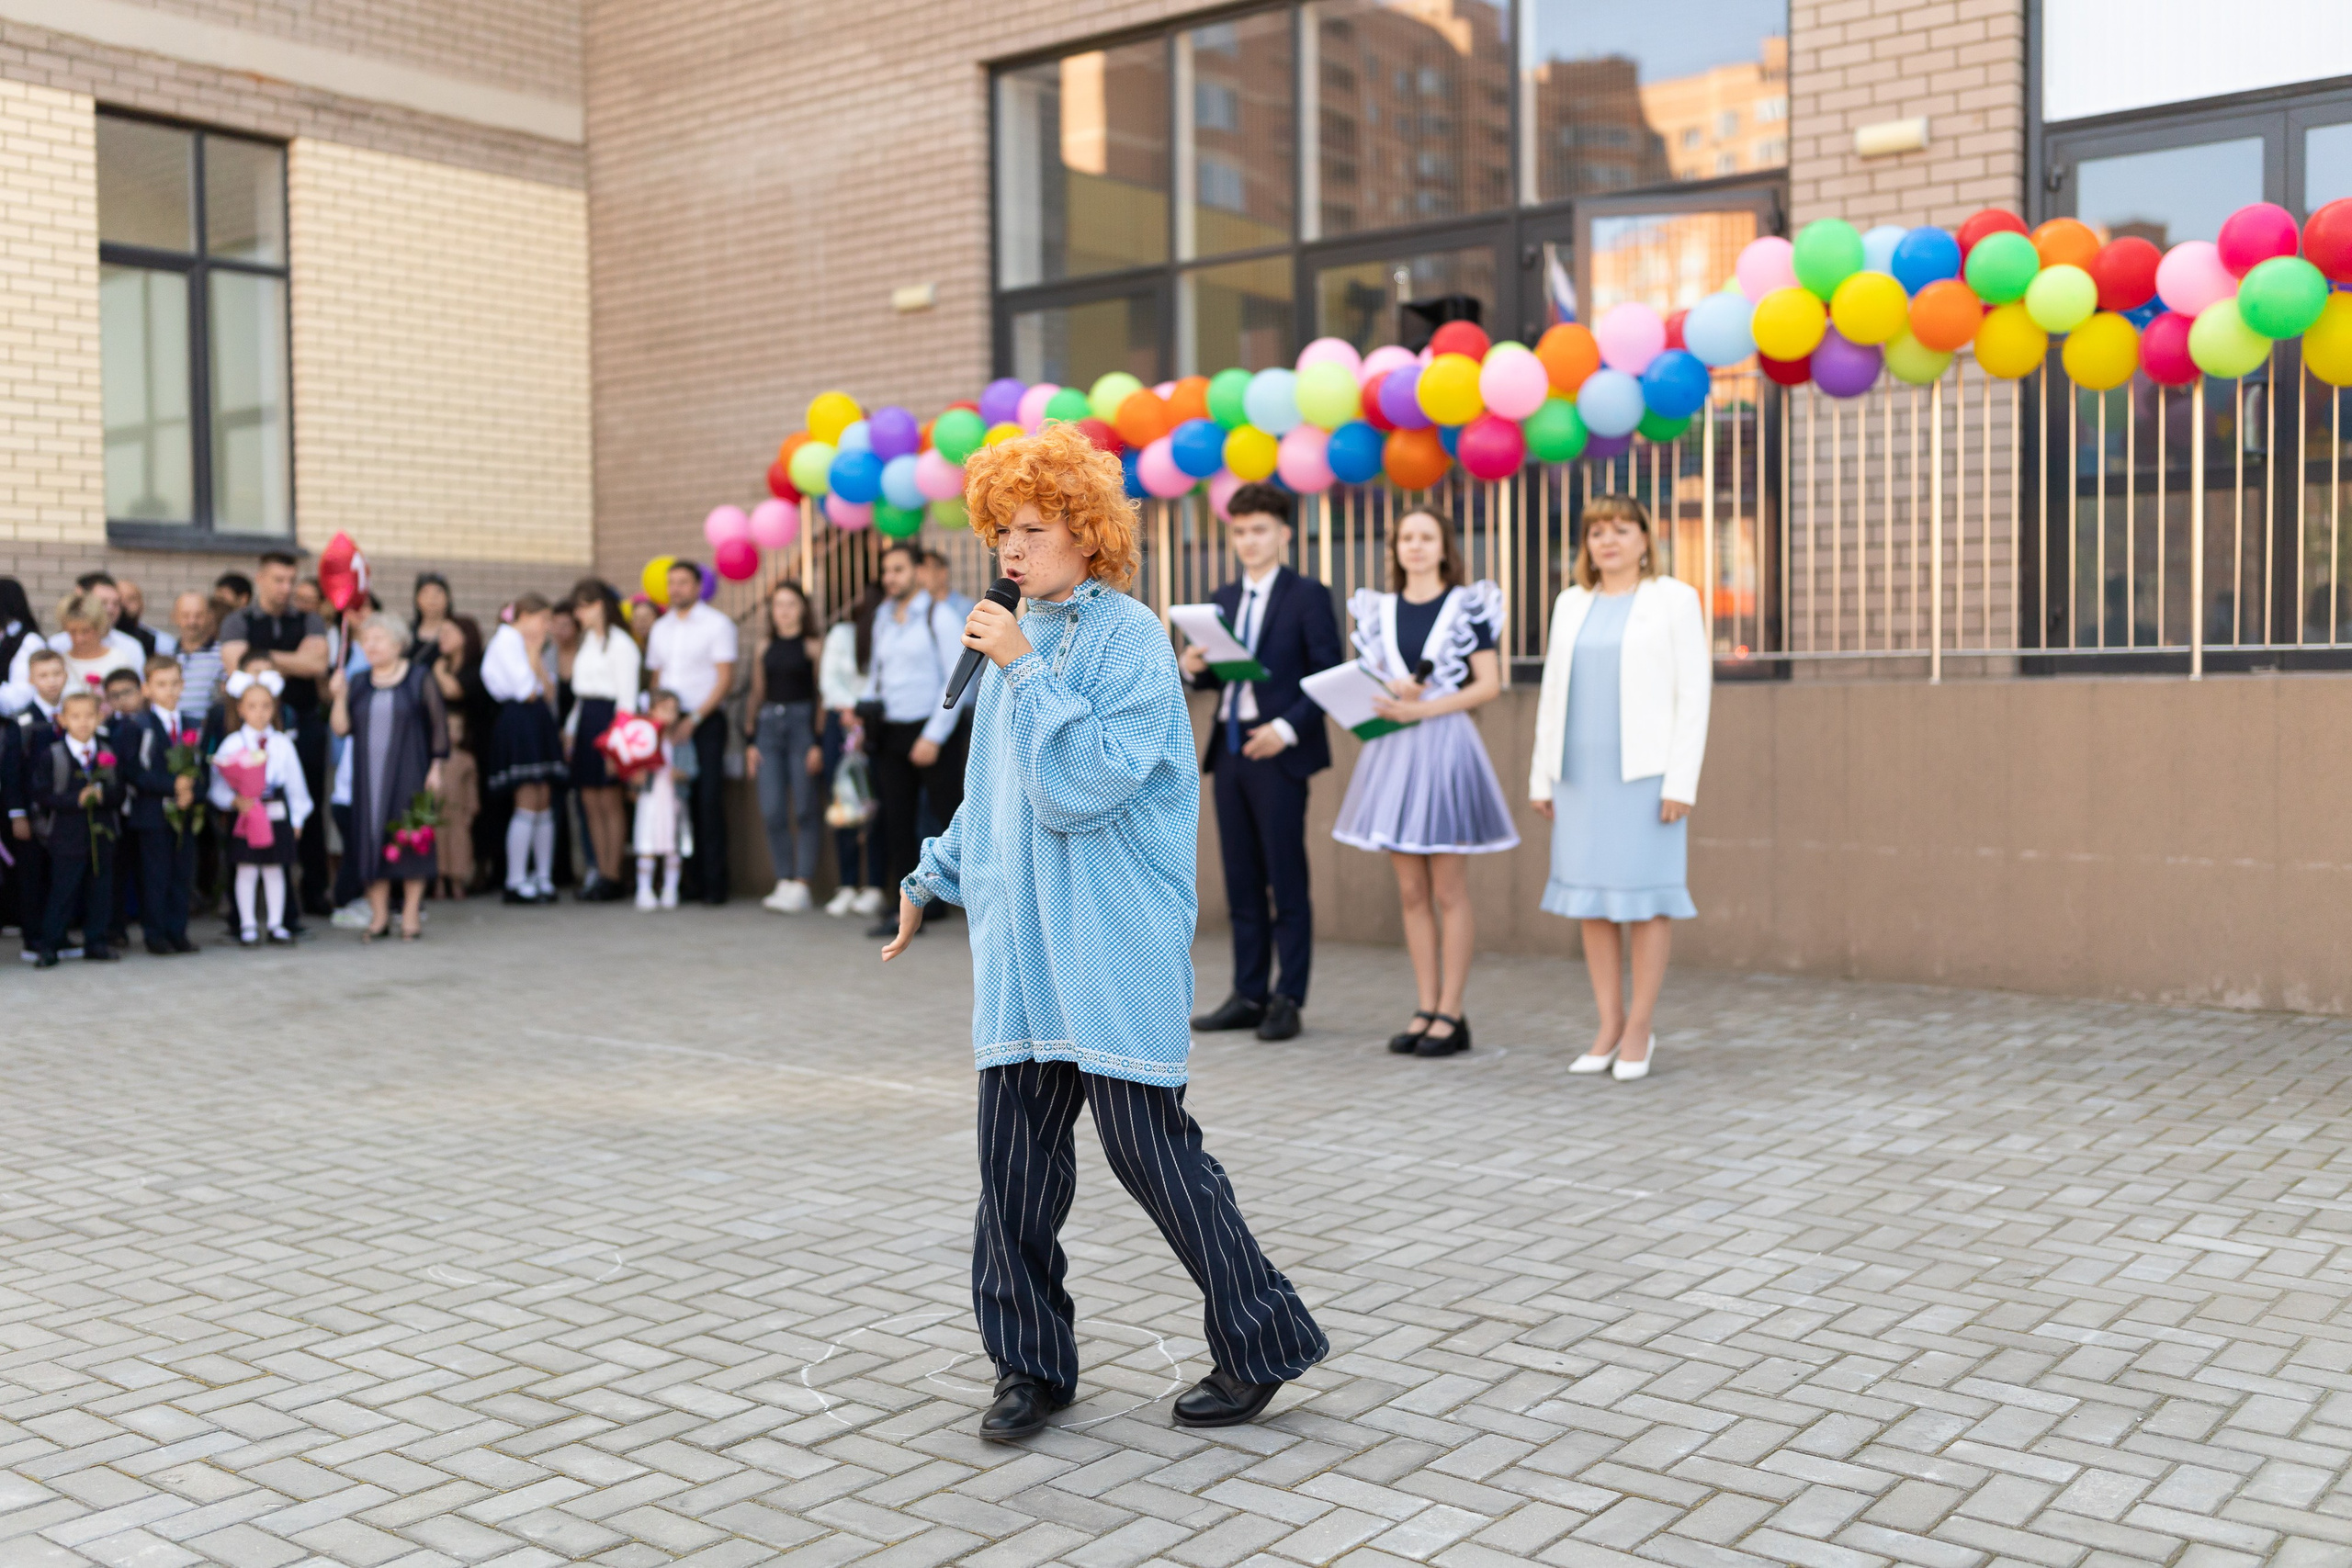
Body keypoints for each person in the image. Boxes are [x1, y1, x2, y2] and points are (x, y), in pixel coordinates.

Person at [885, 422, 1328, 1441]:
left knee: (1151, 1151)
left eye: (1030, 528)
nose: (1009, 550)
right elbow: (993, 795)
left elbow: (1086, 786)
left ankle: (1264, 1340)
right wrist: (929, 875)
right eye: (999, 529)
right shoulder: (1010, 638)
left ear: (1086, 532)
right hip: (1022, 950)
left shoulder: (1126, 638)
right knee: (1013, 1174)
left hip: (1111, 936)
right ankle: (1028, 1366)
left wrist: (1027, 674)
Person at [1532, 495, 1712, 1082]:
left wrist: (1680, 781)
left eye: (1621, 529)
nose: (1607, 540)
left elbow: (1694, 696)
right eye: (1596, 532)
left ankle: (1640, 1027)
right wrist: (1543, 775)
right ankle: (1608, 1023)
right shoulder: (1570, 604)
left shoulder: (1674, 601)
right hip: (1580, 776)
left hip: (1646, 776)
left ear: (1644, 539)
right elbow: (1553, 692)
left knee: (1647, 901)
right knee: (1591, 901)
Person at [1333, 508, 1518, 1058]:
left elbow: (1489, 685)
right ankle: (1425, 1003)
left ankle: (1452, 1012)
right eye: (1406, 537)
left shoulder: (1467, 606)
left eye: (1426, 537)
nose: (1415, 546)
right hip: (1393, 753)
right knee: (1411, 891)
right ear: (1396, 548)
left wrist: (1425, 709)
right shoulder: (1376, 610)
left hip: (1445, 749)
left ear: (1444, 547)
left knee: (1448, 889)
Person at [1181, 483, 1342, 1043]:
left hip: (1279, 751)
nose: (1249, 541)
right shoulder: (1222, 599)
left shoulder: (1308, 596)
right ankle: (1248, 993)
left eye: (1260, 530)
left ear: (1284, 534)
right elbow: (1214, 676)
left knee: (1284, 877)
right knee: (1242, 878)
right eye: (1240, 531)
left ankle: (1287, 997)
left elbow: (1326, 674)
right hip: (1229, 750)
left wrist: (1286, 728)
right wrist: (1190, 665)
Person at [219, 551, 333, 917]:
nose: (286, 588)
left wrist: (265, 657)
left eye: (291, 580)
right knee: (249, 809)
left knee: (306, 807)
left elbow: (317, 663)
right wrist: (291, 660)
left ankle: (310, 894)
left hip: (305, 722)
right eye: (279, 580)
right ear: (260, 579)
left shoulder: (310, 618)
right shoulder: (239, 620)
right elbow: (238, 666)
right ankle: (243, 908)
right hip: (254, 728)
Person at [865, 541, 970, 937]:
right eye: (886, 571)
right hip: (891, 730)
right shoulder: (882, 618)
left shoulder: (940, 616)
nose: (891, 578)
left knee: (946, 819)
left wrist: (932, 736)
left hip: (931, 731)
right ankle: (908, 909)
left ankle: (962, 902)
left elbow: (956, 679)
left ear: (918, 572)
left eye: (899, 570)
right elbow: (878, 673)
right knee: (896, 819)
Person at [332, 612, 450, 942]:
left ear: (398, 643)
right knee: (371, 843)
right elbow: (341, 728)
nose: (370, 645)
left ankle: (411, 914)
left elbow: (438, 725)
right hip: (368, 779)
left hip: (410, 771)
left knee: (411, 840)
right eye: (366, 640)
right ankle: (380, 916)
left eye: (378, 638)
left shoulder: (418, 677)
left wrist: (436, 768)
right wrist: (338, 695)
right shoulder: (357, 682)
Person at [644, 563, 737, 906]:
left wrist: (694, 719)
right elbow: (656, 678)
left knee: (708, 801)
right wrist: (659, 723)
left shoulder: (717, 624)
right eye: (672, 583)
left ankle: (715, 885)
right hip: (668, 723)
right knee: (675, 800)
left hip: (705, 721)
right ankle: (687, 883)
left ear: (699, 586)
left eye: (683, 582)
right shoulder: (661, 629)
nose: (676, 589)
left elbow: (724, 678)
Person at [209, 671, 311, 946]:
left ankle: (277, 924)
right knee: (247, 869)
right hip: (246, 814)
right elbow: (217, 786)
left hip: (275, 812)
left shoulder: (282, 744)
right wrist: (234, 801)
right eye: (252, 706)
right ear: (240, 709)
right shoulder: (232, 744)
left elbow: (295, 785)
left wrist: (298, 818)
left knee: (275, 868)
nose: (259, 713)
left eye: (266, 706)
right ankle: (248, 925)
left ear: (275, 708)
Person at [481, 594, 566, 904]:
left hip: (537, 720)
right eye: (543, 619)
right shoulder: (507, 642)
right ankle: (515, 879)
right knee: (527, 798)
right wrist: (533, 652)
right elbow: (528, 691)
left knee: (543, 799)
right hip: (519, 719)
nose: (546, 627)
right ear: (525, 615)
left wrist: (536, 655)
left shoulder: (526, 645)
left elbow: (549, 691)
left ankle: (542, 876)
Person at [744, 581, 823, 913]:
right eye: (778, 605)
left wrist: (818, 741)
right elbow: (756, 693)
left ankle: (803, 883)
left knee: (805, 806)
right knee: (772, 808)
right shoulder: (764, 647)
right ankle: (783, 879)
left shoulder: (813, 647)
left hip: (802, 725)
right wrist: (750, 740)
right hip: (768, 728)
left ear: (802, 609)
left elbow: (822, 695)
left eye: (791, 604)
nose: (784, 611)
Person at [28, 688, 122, 966]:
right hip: (66, 836)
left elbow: (120, 793)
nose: (83, 722)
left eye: (90, 716)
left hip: (102, 834)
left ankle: (96, 941)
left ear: (99, 718)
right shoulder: (52, 755)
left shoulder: (106, 752)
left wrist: (104, 796)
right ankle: (50, 946)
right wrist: (75, 800)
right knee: (63, 891)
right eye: (76, 716)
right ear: (63, 720)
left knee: (100, 891)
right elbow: (42, 795)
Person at [564, 578, 640, 900]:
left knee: (609, 799)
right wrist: (570, 729)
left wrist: (617, 744)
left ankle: (613, 873)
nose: (578, 614)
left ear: (598, 605)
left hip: (610, 721)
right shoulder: (588, 642)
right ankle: (599, 871)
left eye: (582, 606)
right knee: (589, 799)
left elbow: (627, 699)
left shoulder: (621, 644)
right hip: (586, 720)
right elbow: (581, 694)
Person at [122, 654, 200, 955]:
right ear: (147, 689)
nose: (169, 690)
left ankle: (177, 931)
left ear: (183, 686)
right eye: (161, 684)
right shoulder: (139, 725)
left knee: (182, 875)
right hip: (152, 814)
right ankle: (155, 934)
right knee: (156, 876)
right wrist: (171, 786)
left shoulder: (192, 724)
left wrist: (193, 791)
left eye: (174, 683)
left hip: (185, 811)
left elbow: (202, 766)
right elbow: (134, 770)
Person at [819, 581, 888, 919]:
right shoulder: (841, 634)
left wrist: (863, 716)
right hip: (842, 726)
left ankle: (874, 886)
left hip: (874, 725)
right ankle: (846, 884)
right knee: (844, 803)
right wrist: (849, 712)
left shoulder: (888, 632)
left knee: (874, 806)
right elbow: (828, 679)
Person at [7, 649, 66, 955]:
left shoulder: (74, 715)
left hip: (65, 814)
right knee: (32, 876)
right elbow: (11, 772)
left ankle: (58, 934)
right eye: (44, 675)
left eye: (57, 673)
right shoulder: (24, 721)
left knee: (62, 875)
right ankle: (34, 938)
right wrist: (17, 815)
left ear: (66, 675)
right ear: (31, 680)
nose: (51, 681)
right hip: (32, 814)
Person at [630, 689, 687, 911]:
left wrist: (680, 773)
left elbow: (691, 768)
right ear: (651, 711)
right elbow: (633, 769)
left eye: (673, 711)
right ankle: (644, 889)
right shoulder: (644, 739)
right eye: (664, 710)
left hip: (673, 799)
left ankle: (670, 889)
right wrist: (636, 778)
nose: (669, 716)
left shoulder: (680, 741)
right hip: (650, 797)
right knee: (647, 840)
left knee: (674, 842)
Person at [435, 708, 480, 900]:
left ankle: (456, 883)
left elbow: (471, 788)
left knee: (459, 847)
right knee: (437, 847)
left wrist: (471, 810)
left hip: (457, 812)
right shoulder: (434, 759)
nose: (453, 733)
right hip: (437, 812)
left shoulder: (466, 760)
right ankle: (438, 883)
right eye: (448, 728)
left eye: (457, 729)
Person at [171, 592, 223, 726]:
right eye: (185, 615)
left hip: (208, 732)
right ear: (174, 617)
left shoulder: (223, 654)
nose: (192, 622)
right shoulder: (166, 653)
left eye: (198, 616)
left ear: (210, 617)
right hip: (172, 730)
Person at [409, 572, 453, 663]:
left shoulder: (459, 631)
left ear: (448, 598)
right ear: (417, 599)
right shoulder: (408, 632)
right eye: (426, 592)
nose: (432, 598)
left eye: (438, 592)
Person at [117, 579, 169, 656]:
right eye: (119, 599)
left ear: (142, 604)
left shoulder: (160, 642)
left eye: (131, 599)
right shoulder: (100, 638)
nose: (124, 604)